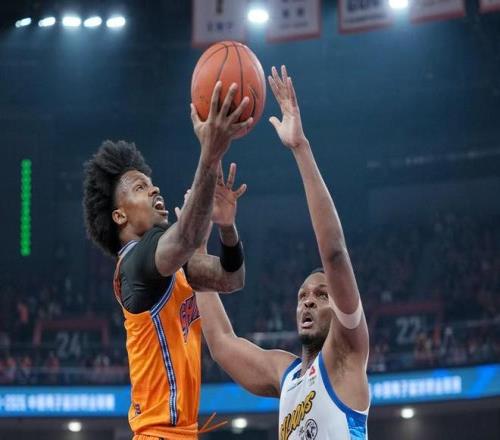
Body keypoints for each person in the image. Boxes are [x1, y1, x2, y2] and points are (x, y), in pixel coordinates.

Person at [195, 66, 370, 440]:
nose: (308, 301)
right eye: (303, 295)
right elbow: (222, 344)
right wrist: (198, 248)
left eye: (321, 295)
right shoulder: (285, 375)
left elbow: (334, 254)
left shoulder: (347, 355)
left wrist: (299, 147)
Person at [82, 82, 250, 440]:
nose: (154, 189)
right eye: (140, 188)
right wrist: (211, 152)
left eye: (152, 184)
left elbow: (231, 279)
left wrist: (227, 227)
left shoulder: (171, 266)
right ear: (119, 216)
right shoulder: (135, 263)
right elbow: (186, 236)